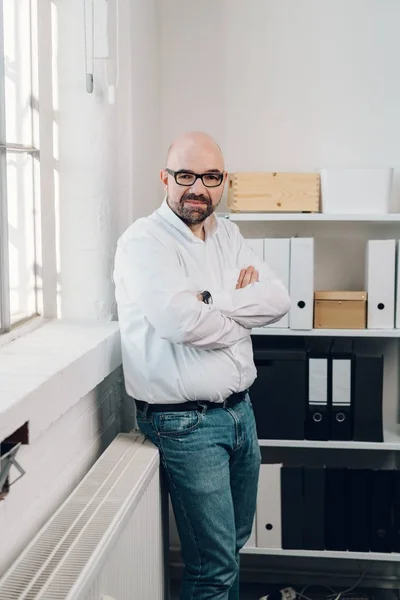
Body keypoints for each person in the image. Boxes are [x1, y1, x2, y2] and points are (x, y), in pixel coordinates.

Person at [113, 131, 291, 600]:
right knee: (212, 566)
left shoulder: (226, 233)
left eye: (211, 177)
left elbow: (276, 297)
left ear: (223, 181)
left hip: (239, 414)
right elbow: (180, 323)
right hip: (184, 423)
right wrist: (239, 311)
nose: (199, 188)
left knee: (231, 551)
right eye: (186, 175)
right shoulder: (143, 241)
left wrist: (212, 301)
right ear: (164, 178)